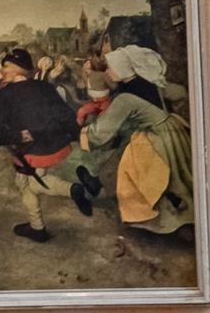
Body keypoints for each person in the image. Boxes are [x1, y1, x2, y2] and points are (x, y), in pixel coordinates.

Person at [68, 41, 194, 237]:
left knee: (136, 173)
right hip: (173, 131)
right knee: (175, 176)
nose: (107, 72)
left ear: (121, 69)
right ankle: (97, 183)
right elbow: (180, 92)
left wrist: (81, 133)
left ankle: (164, 220)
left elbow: (101, 132)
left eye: (110, 68)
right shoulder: (150, 83)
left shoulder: (125, 98)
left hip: (156, 139)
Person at [0, 48, 82, 241]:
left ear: (17, 69)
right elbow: (67, 116)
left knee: (31, 184)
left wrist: (15, 135)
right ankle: (37, 226)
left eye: (5, 66)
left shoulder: (3, 95)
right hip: (57, 147)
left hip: (31, 153)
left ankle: (70, 192)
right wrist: (73, 135)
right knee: (24, 183)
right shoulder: (45, 87)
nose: (1, 71)